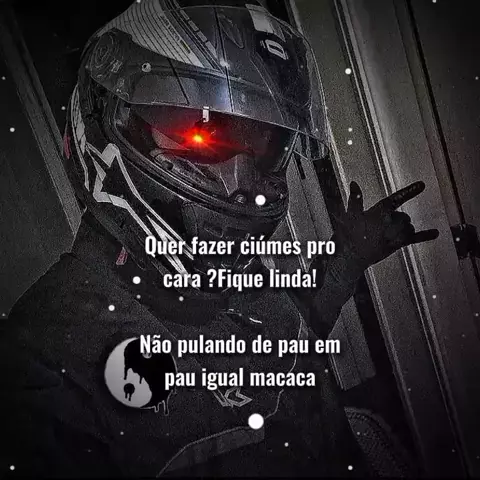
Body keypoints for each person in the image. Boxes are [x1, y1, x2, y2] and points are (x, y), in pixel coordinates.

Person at [0, 0, 439, 477]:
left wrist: (347, 258)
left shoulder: (227, 274)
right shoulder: (43, 369)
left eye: (262, 145)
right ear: (113, 125)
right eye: (203, 134)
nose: (242, 185)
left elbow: (282, 338)